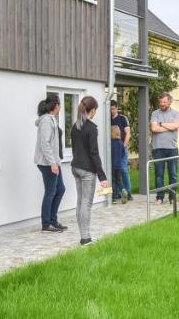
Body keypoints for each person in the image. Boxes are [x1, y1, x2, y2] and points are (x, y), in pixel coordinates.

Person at [70, 96, 107, 245]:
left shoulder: (75, 126)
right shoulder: (91, 128)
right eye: (95, 110)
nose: (95, 113)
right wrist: (102, 176)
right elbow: (94, 153)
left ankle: (84, 236)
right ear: (92, 110)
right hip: (86, 170)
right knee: (86, 203)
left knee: (80, 202)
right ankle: (85, 238)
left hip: (76, 167)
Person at [34, 94, 67, 232]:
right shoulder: (47, 121)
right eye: (59, 105)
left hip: (53, 161)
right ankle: (46, 223)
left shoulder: (52, 119)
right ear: (54, 106)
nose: (60, 108)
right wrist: (53, 163)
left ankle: (53, 220)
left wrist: (56, 162)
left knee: (60, 189)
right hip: (47, 163)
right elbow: (45, 144)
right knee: (51, 191)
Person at [150, 91, 179, 204]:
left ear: (169, 102)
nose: (162, 104)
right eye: (161, 102)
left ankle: (172, 197)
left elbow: (176, 125)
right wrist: (169, 126)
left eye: (164, 102)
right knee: (159, 175)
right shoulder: (155, 113)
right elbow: (154, 129)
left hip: (172, 148)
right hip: (158, 148)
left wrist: (161, 124)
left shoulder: (176, 113)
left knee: (173, 174)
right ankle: (160, 197)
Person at [109, 100, 132, 204]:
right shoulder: (107, 119)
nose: (111, 111)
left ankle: (128, 191)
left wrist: (123, 146)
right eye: (110, 109)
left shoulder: (123, 118)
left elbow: (128, 134)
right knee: (113, 174)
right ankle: (117, 193)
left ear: (116, 108)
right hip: (111, 149)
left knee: (123, 169)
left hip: (121, 148)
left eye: (113, 109)